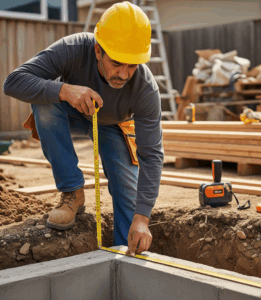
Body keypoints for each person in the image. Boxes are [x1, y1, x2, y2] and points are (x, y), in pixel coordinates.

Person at [3, 1, 164, 257]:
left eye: (132, 65)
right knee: (44, 104)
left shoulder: (145, 88)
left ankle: (126, 253)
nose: (123, 74)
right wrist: (64, 90)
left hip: (112, 125)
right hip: (70, 108)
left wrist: (143, 218)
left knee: (127, 190)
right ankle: (72, 193)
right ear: (98, 50)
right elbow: (13, 82)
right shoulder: (73, 48)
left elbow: (152, 155)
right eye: (117, 63)